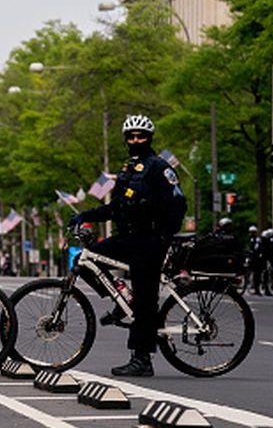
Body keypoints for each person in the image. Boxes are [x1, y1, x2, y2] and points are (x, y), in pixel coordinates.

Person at [69, 114, 186, 377]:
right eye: (131, 136)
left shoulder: (160, 167)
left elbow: (178, 204)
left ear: (150, 138)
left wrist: (163, 238)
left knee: (146, 302)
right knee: (84, 262)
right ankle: (123, 296)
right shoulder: (128, 169)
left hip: (149, 241)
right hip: (127, 238)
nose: (135, 140)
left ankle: (142, 359)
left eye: (141, 136)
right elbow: (116, 208)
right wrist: (86, 215)